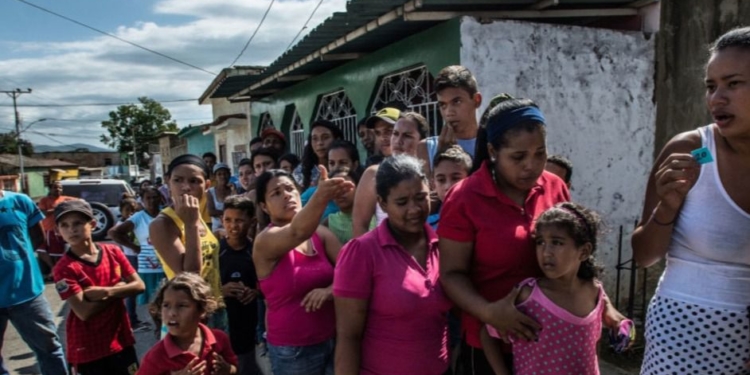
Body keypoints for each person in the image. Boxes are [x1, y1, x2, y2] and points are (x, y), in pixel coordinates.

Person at [633, 27, 750, 374]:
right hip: (682, 331)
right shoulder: (694, 152)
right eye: (711, 86)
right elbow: (643, 255)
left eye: (733, 83)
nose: (717, 99)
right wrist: (666, 207)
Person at [437, 98, 571, 373]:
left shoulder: (554, 187)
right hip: (489, 344)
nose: (531, 166)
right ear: (492, 151)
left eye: (540, 153)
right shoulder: (464, 198)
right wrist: (489, 312)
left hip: (549, 337)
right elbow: (451, 274)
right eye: (518, 157)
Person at [334, 155, 451, 375]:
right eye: (402, 202)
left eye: (420, 197)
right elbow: (349, 336)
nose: (414, 209)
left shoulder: (442, 246)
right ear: (382, 203)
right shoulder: (362, 253)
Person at [481, 203, 629, 375]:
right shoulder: (528, 296)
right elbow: (487, 332)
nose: (546, 252)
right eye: (540, 242)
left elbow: (596, 340)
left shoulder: (593, 291)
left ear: (584, 251)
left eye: (557, 243)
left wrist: (623, 329)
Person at [253, 168, 352, 375]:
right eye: (276, 193)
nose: (286, 195)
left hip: (332, 340)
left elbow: (352, 271)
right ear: (264, 206)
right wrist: (322, 195)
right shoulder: (265, 241)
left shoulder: (321, 234)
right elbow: (298, 231)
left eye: (290, 189)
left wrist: (330, 290)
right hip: (292, 351)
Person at [52, 200, 145, 374]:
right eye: (64, 225)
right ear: (58, 231)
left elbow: (139, 285)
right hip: (87, 347)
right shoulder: (64, 268)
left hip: (120, 338)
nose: (72, 229)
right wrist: (122, 289)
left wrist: (107, 291)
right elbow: (84, 312)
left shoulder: (112, 252)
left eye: (78, 223)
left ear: (93, 224)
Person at [149, 154, 225, 331]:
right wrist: (190, 224)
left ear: (206, 185)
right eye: (178, 180)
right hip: (186, 313)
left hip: (213, 307)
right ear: (168, 182)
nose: (186, 187)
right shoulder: (163, 223)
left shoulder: (196, 216)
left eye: (194, 181)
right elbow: (190, 275)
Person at [0, 190, 68, 375]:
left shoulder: (20, 201)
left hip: (27, 293)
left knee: (50, 350)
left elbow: (38, 237)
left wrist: (17, 261)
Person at [139, 272, 238, 375]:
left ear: (202, 309)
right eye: (166, 305)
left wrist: (228, 369)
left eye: (182, 305)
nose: (172, 313)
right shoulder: (156, 357)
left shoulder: (219, 338)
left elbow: (234, 367)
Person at [352, 110, 428, 237]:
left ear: (422, 141)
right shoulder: (373, 174)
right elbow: (359, 225)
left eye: (407, 136)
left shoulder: (432, 175)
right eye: (395, 134)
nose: (398, 141)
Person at [219, 196, 260, 375]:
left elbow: (270, 283)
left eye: (239, 221)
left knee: (245, 363)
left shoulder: (257, 251)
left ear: (252, 222)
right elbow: (201, 286)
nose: (233, 226)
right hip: (221, 320)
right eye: (228, 220)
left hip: (248, 321)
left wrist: (256, 292)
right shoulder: (216, 251)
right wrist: (221, 291)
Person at [109, 186, 166, 311]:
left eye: (155, 197)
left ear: (160, 198)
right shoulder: (138, 217)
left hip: (168, 264)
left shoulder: (166, 214)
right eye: (148, 198)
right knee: (153, 302)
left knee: (167, 299)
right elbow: (114, 233)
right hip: (148, 267)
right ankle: (157, 329)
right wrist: (134, 247)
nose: (152, 201)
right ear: (142, 200)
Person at [417, 66, 482, 174]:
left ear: (476, 100)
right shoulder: (426, 147)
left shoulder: (492, 144)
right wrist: (440, 156)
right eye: (443, 105)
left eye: (457, 102)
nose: (449, 112)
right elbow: (428, 189)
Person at [301, 140, 361, 222]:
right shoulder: (315, 193)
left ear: (355, 165)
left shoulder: (364, 195)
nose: (336, 168)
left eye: (343, 163)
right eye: (332, 163)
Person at [113, 196, 146, 330]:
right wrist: (134, 247)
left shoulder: (135, 222)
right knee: (132, 290)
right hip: (131, 258)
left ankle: (133, 319)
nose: (131, 213)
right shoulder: (121, 226)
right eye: (127, 210)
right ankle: (131, 321)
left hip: (140, 257)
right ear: (121, 210)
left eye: (134, 209)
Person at [293, 120, 344, 190]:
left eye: (325, 137)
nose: (320, 143)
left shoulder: (347, 165)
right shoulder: (300, 172)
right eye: (315, 139)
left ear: (337, 139)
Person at [429, 145, 472, 229]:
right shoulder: (426, 226)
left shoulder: (481, 220)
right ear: (433, 184)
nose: (448, 186)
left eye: (456, 178)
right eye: (441, 180)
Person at [322, 168, 367, 245]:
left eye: (346, 186)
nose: (341, 191)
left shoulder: (374, 216)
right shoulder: (328, 223)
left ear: (358, 187)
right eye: (336, 188)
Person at [208, 163, 237, 232]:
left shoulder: (233, 189)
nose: (223, 176)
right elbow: (211, 212)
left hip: (233, 227)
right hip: (217, 229)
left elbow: (237, 207)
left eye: (225, 174)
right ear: (215, 177)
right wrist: (229, 213)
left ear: (229, 175)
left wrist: (234, 191)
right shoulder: (211, 192)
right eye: (219, 174)